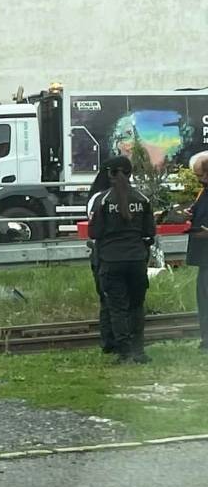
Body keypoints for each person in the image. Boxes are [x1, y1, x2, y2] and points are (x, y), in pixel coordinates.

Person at [89, 156, 156, 364]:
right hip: (136, 260)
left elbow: (94, 232)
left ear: (109, 174)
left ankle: (124, 353)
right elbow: (149, 232)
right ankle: (139, 352)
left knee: (117, 307)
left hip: (110, 260)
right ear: (130, 173)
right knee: (137, 306)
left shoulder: (102, 200)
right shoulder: (143, 199)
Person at [86, 165, 114, 353]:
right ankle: (129, 343)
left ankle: (108, 342)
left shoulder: (96, 199)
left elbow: (93, 229)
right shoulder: (137, 197)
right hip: (130, 254)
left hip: (102, 253)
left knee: (106, 300)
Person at [185, 151, 208, 352]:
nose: (199, 180)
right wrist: (191, 213)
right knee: (204, 300)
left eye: (201, 175)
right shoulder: (204, 191)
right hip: (203, 258)